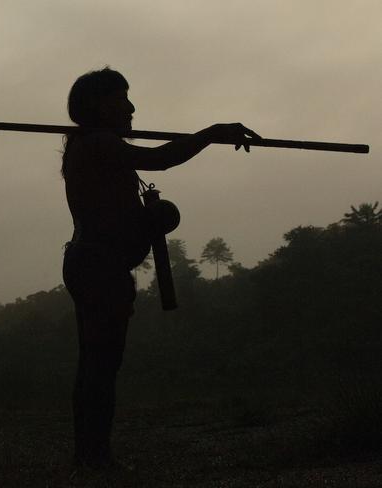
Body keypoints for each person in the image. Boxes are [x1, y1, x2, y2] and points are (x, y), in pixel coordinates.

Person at [61, 67, 260, 470]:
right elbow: (160, 159)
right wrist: (212, 132)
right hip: (99, 268)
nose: (132, 108)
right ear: (100, 106)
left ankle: (89, 456)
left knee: (95, 364)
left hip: (93, 264)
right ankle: (94, 459)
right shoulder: (99, 142)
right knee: (101, 366)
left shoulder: (95, 145)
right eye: (122, 99)